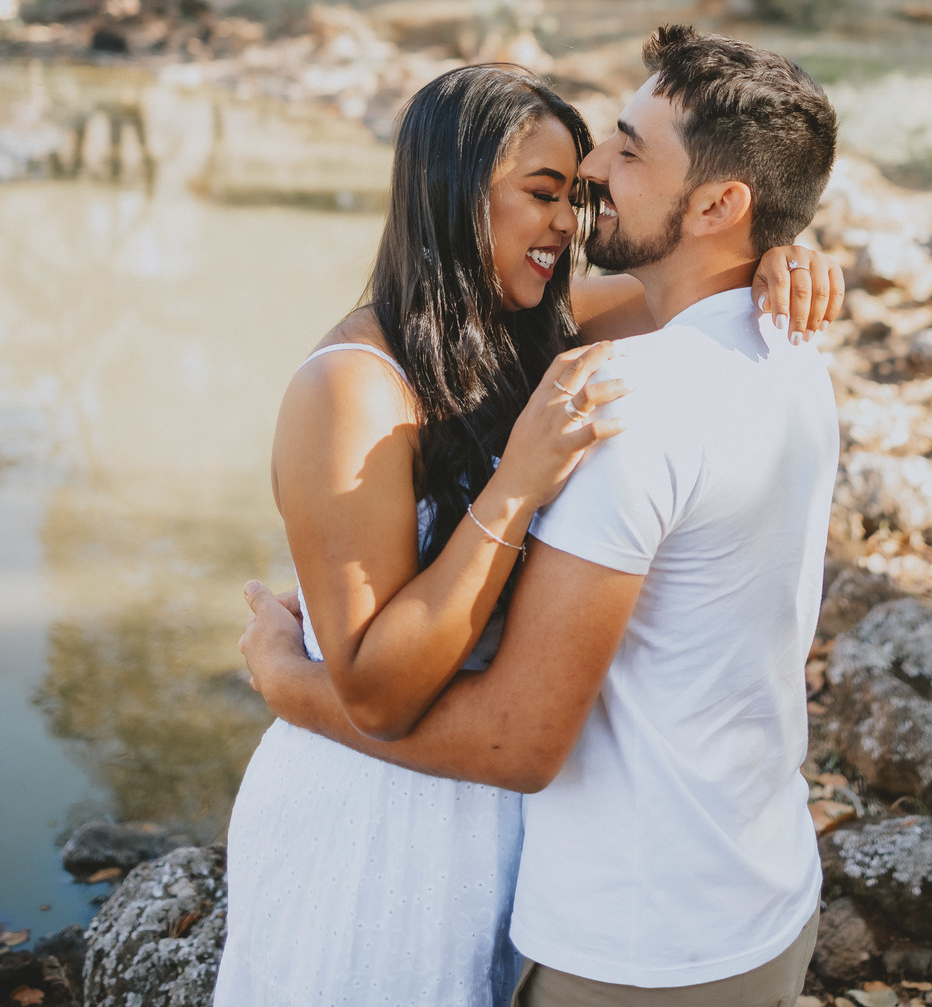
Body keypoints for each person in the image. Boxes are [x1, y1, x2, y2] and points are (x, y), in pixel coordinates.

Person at [219, 54, 842, 1007]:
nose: (570, 218)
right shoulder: (350, 390)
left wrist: (781, 256)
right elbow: (374, 688)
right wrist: (514, 488)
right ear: (453, 194)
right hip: (374, 821)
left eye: (576, 190)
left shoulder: (534, 329)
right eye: (544, 193)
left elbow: (687, 288)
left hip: (499, 826)